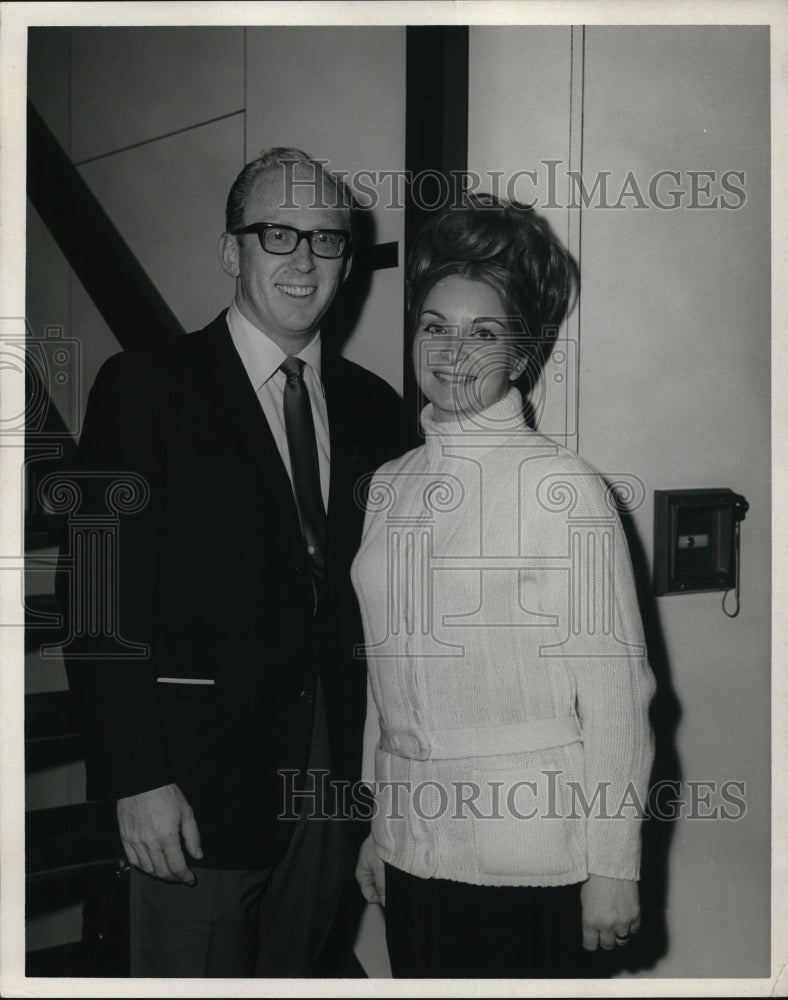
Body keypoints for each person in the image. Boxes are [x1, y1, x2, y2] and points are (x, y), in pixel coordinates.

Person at [60, 147, 402, 977]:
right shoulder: (141, 387)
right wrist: (135, 780)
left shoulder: (377, 409)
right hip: (194, 792)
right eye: (276, 233)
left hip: (332, 787)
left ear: (346, 263)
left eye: (325, 240)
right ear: (231, 251)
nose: (303, 260)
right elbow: (96, 600)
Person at [351, 195, 656, 978]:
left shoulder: (565, 487)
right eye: (434, 325)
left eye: (483, 333)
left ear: (521, 357)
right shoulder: (388, 485)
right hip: (412, 845)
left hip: (530, 858)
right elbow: (382, 681)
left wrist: (613, 866)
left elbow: (619, 695)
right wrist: (377, 827)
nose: (452, 352)